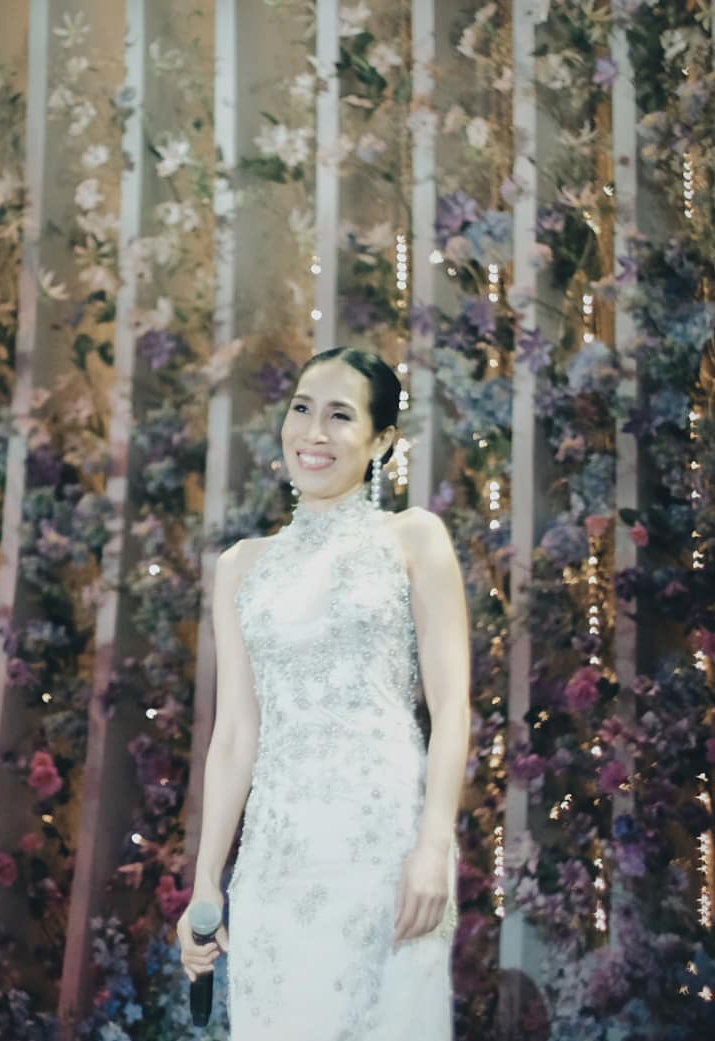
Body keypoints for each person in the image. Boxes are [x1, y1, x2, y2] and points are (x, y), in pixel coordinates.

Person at [177, 347, 471, 1038]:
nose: (313, 432)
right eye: (302, 409)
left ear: (381, 441)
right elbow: (235, 734)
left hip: (385, 850)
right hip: (275, 857)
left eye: (340, 415)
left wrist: (433, 846)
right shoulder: (240, 566)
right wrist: (206, 880)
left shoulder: (414, 537)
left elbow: (452, 708)